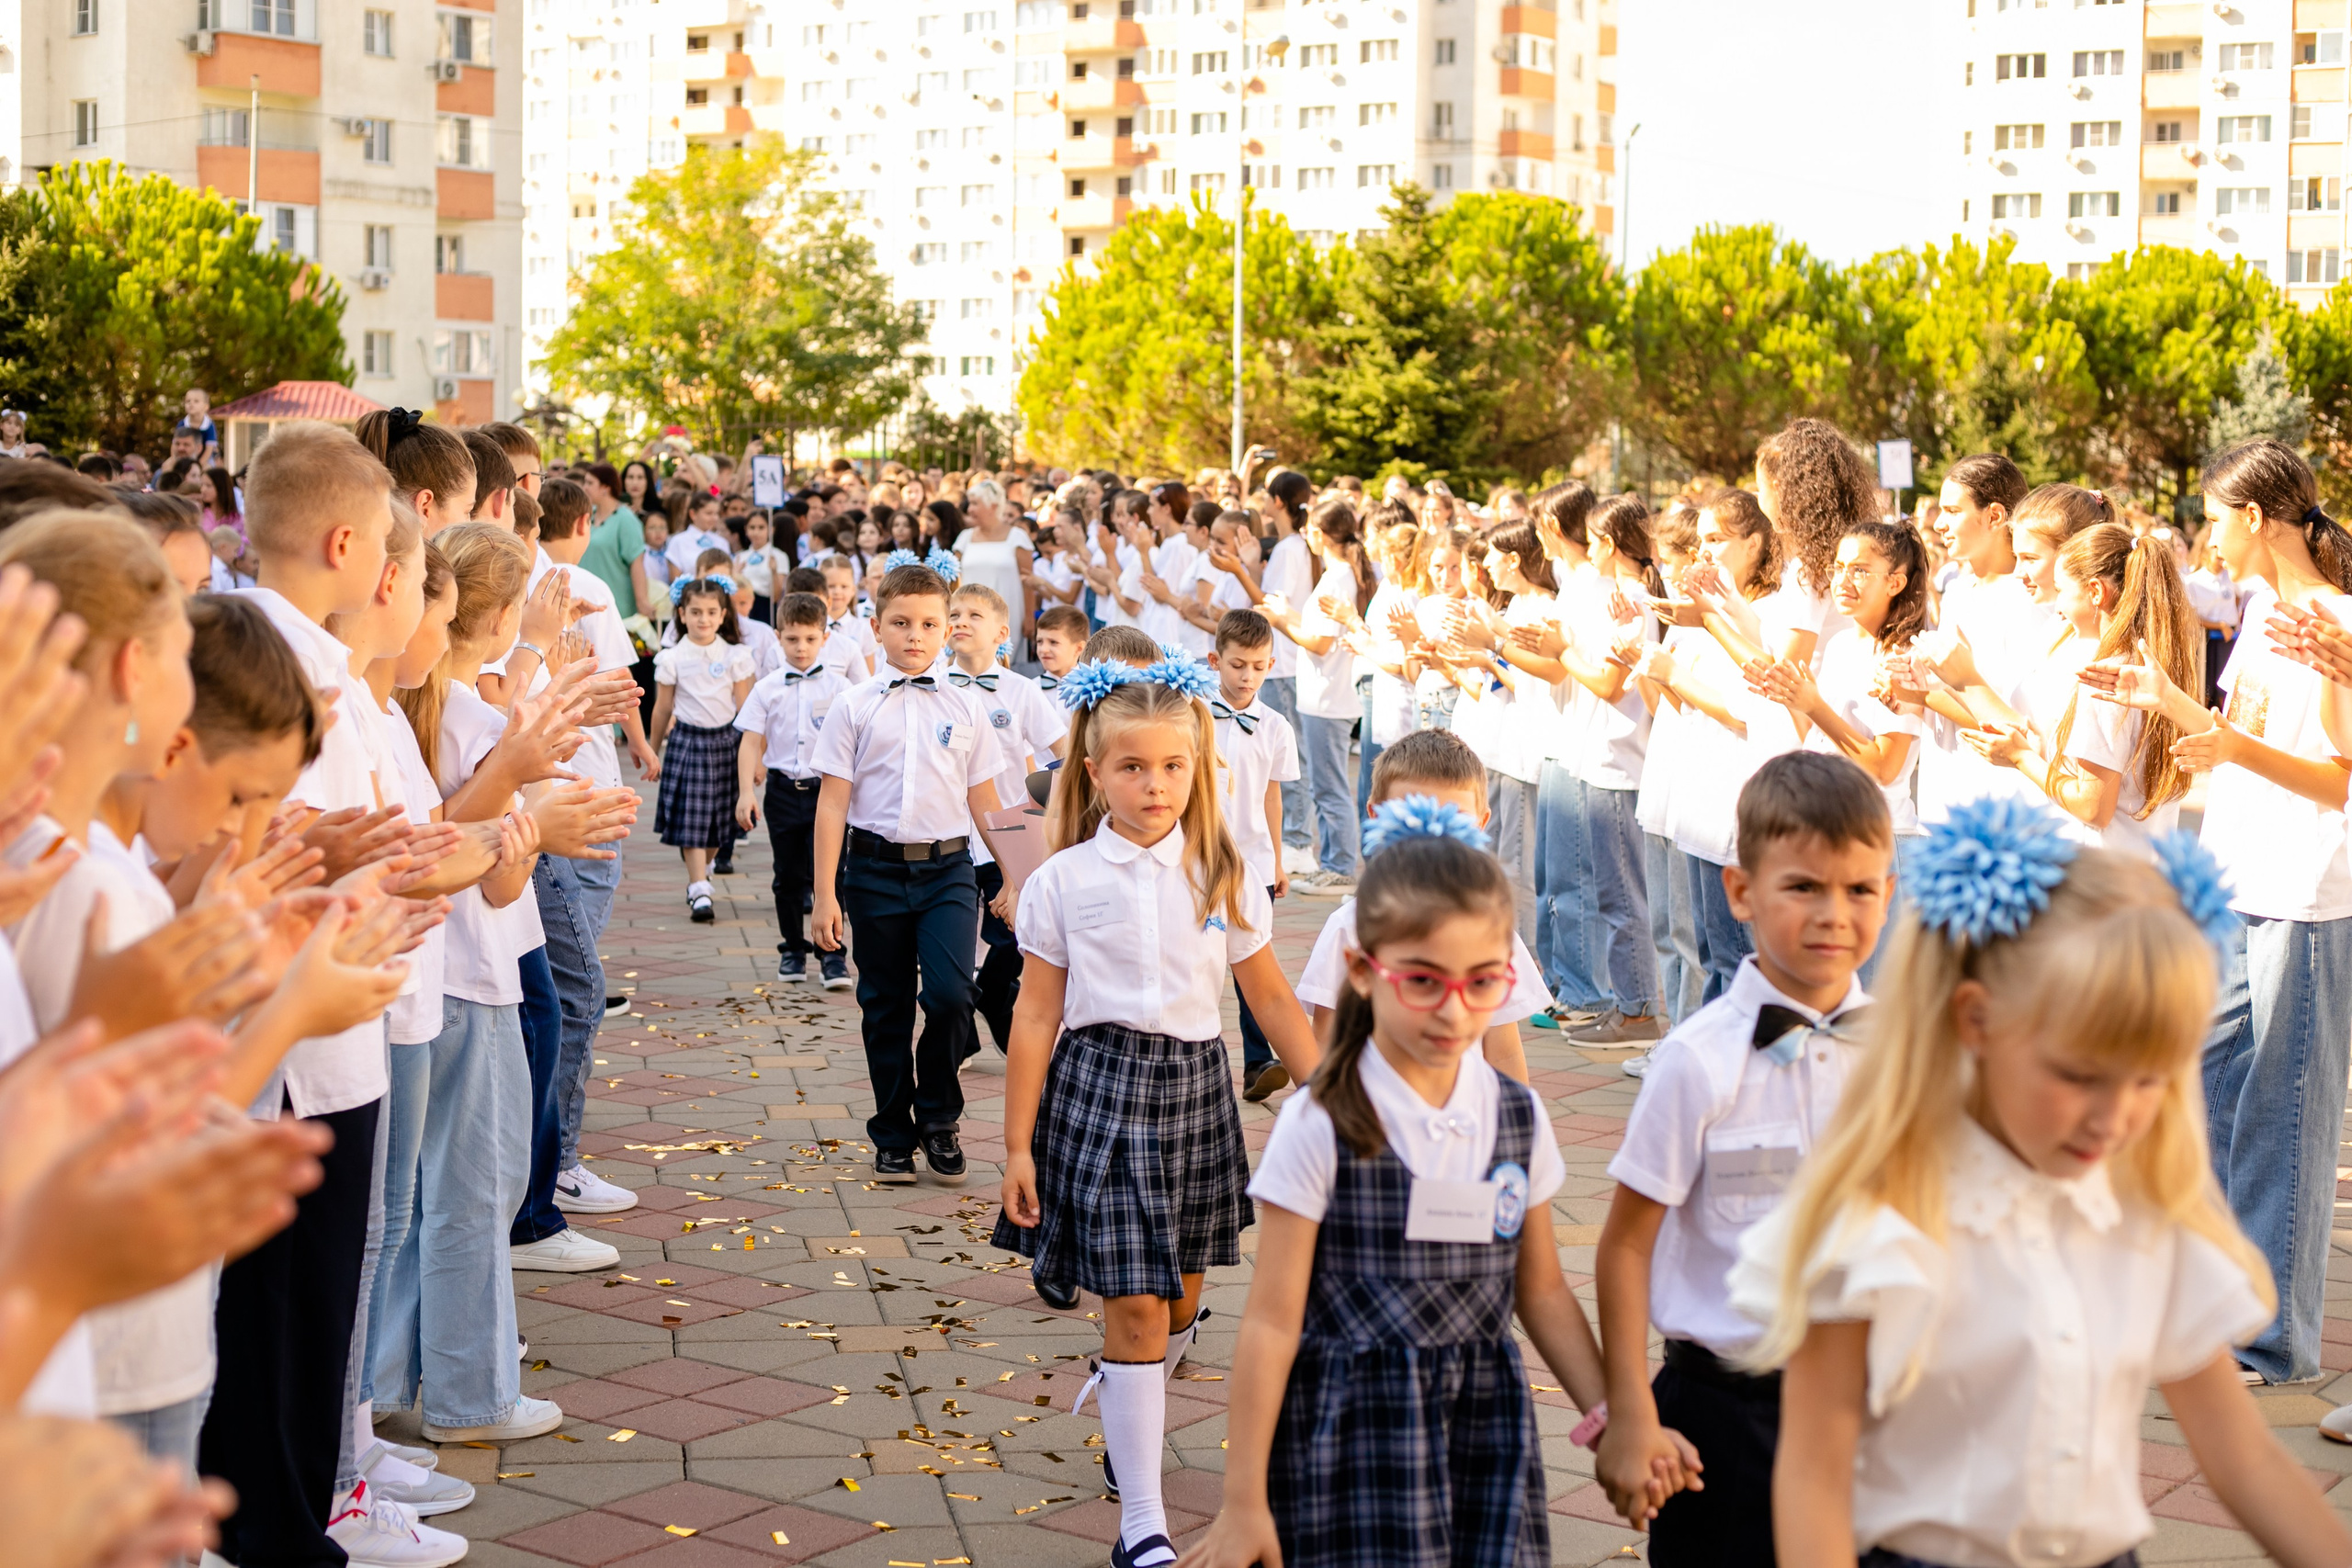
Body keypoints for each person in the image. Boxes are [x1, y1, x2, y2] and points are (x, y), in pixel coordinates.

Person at [1738, 806, 2352, 1568]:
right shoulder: (1884, 1225)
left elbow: (2244, 1458)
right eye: (2078, 1075)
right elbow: (1814, 1478)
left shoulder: (2143, 1220)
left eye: (2148, 1080)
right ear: (1977, 1022)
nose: (2115, 1114)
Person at [1181, 800, 1677, 1568]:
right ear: (1362, 970)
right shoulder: (1325, 1120)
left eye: (1481, 982)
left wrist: (1613, 1421)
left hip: (1483, 1418)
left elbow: (1540, 1288)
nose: (1454, 1008)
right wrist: (1244, 1500)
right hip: (1350, 1426)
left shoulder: (1514, 1117)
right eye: (1423, 980)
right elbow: (1272, 1321)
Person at [994, 660, 1317, 1568]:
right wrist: (1016, 1144)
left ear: (1199, 770)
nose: (1154, 786)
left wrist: (1344, 1104)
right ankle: (1142, 1525)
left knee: (1178, 1298)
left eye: (1173, 768)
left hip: (1194, 1092)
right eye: (1132, 767)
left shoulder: (1223, 873)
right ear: (1095, 773)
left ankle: (1128, 1388)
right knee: (1133, 1306)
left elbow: (1274, 1002)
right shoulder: (1061, 882)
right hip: (1096, 1091)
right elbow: (1034, 1015)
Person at [2080, 437, 2352, 1390]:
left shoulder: (2332, 622)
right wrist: (2164, 699)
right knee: (2194, 1081)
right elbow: (2229, 743)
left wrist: (2227, 748)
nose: (2204, 538)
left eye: (2213, 518)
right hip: (2235, 884)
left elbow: (2329, 780)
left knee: (2282, 1117)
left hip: (2302, 898)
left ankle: (2268, 1342)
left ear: (2255, 519)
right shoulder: (2270, 610)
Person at [201, 423, 413, 1566]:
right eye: (383, 543)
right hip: (291, 1046)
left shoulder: (305, 660)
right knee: (285, 1329)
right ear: (344, 542)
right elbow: (284, 843)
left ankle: (289, 1523)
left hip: (314, 1027)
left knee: (301, 1323)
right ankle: (285, 1537)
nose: (387, 567)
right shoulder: (288, 670)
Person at [1595, 751, 1894, 1562]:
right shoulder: (1697, 1062)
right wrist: (1630, 1410)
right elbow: (1626, 1242)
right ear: (1740, 892)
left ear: (1888, 894)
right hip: (1727, 1414)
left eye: (1859, 889)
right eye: (1803, 886)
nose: (1834, 913)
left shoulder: (1904, 1062)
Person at [808, 562, 1012, 1184]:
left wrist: (1016, 874)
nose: (915, 635)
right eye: (901, 623)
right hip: (873, 871)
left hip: (949, 869)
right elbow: (833, 803)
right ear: (876, 626)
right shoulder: (854, 705)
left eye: (928, 623)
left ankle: (940, 1116)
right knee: (885, 1006)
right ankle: (893, 1132)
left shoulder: (968, 706)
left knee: (952, 997)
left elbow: (986, 800)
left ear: (947, 628)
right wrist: (824, 896)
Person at [1291, 728, 1543, 1083]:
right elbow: (1327, 1041)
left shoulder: (1489, 928)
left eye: (1452, 821)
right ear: (1376, 815)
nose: (1431, 840)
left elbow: (1503, 1047)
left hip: (1464, 1119)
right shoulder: (1351, 927)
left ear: (1481, 823)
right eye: (1414, 819)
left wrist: (1516, 1127)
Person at [1964, 522, 2199, 858]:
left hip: (2099, 878)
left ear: (2094, 592)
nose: (2056, 606)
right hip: (2143, 873)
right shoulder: (2144, 664)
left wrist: (2020, 756)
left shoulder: (2104, 677)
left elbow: (2093, 806)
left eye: (2061, 591)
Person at [939, 581, 1067, 1057]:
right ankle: (958, 1040)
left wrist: (1047, 819)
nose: (962, 622)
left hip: (1010, 836)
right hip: (949, 836)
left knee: (1015, 938)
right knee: (948, 949)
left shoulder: (1022, 692)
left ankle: (991, 998)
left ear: (1001, 633)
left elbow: (1065, 756)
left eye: (975, 615)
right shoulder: (933, 685)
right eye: (955, 614)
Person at [735, 592, 852, 988]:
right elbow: (751, 740)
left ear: (824, 637)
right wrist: (745, 792)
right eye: (792, 640)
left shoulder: (842, 688)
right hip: (784, 792)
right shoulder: (767, 688)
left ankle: (833, 956)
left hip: (828, 794)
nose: (801, 648)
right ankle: (793, 951)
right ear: (778, 638)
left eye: (809, 639)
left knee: (831, 875)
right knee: (787, 875)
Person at [1206, 609, 1300, 1100]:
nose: (1247, 677)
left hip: (1254, 860)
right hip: (1199, 857)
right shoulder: (1193, 710)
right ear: (1215, 659)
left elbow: (1272, 796)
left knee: (1253, 961)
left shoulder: (1276, 726)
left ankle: (1258, 1060)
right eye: (1238, 664)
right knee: (1199, 957)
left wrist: (1277, 860)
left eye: (1259, 666)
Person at [1257, 498, 1373, 893]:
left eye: (1310, 531)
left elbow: (1319, 643)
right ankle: (1333, 862)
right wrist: (1288, 614)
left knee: (1329, 785)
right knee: (1326, 782)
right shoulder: (1338, 573)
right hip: (1323, 695)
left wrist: (1281, 621)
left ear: (1320, 535)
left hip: (1328, 697)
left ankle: (1340, 864)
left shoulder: (1338, 576)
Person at [650, 577, 755, 923]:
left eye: (711, 612)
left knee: (721, 822)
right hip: (689, 742)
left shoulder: (734, 656)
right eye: (695, 612)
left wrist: (756, 758)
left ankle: (706, 866)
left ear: (723, 614)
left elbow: (747, 710)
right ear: (681, 613)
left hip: (727, 742)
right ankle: (698, 888)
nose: (703, 619)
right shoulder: (673, 657)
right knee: (692, 819)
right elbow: (663, 708)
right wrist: (652, 750)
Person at [1032, 604, 1089, 691]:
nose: (1044, 649)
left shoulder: (1092, 691)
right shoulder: (1029, 689)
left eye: (1053, 642)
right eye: (1039, 641)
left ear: (1079, 648)